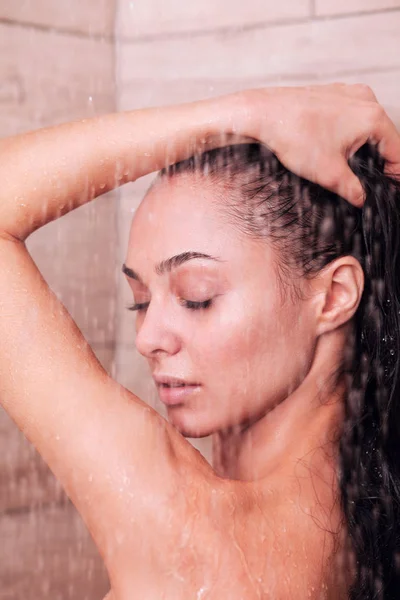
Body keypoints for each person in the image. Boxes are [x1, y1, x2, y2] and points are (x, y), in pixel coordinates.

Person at [0, 83, 399, 599]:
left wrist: (246, 113)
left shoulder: (191, 537)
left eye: (196, 297)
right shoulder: (366, 523)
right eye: (140, 300)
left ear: (333, 297)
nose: (147, 338)